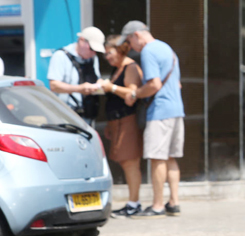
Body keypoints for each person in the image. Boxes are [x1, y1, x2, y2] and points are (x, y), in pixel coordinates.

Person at [118, 20, 185, 219]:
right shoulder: (168, 49)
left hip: (160, 111)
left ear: (136, 35)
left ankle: (157, 206)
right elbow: (178, 84)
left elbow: (154, 84)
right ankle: (174, 202)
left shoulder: (148, 51)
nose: (130, 47)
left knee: (158, 158)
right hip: (177, 109)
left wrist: (136, 93)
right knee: (171, 158)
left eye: (129, 42)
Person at [99, 35, 144, 218]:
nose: (107, 57)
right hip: (117, 122)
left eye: (109, 53)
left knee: (130, 162)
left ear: (119, 50)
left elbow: (132, 94)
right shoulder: (117, 69)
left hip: (128, 121)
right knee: (124, 162)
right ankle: (132, 202)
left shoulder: (130, 67)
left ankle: (134, 203)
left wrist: (112, 88)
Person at [48, 26, 105, 126]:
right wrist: (79, 89)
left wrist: (100, 85)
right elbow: (54, 85)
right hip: (66, 116)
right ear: (81, 40)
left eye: (96, 50)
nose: (93, 52)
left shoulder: (93, 58)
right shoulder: (61, 56)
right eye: (92, 48)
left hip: (87, 116)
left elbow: (97, 78)